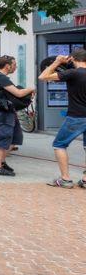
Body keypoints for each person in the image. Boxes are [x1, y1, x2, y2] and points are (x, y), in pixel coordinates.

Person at [39, 49, 86, 188]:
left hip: (76, 116)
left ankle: (65, 179)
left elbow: (43, 77)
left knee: (59, 145)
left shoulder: (73, 73)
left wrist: (57, 61)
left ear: (71, 59)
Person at [0, 55, 35, 177]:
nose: (16, 67)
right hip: (2, 112)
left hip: (8, 111)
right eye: (14, 65)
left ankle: (1, 162)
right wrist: (31, 89)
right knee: (3, 137)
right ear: (7, 66)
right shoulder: (0, 77)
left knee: (15, 138)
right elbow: (18, 93)